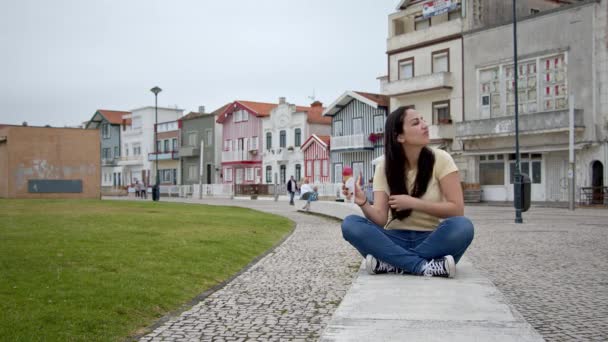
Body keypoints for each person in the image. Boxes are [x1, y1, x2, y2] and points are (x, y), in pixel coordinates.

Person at [341, 106, 474, 278]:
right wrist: (363, 202)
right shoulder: (384, 167)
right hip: (392, 240)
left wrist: (413, 203)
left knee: (463, 227)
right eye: (416, 123)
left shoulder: (442, 159)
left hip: (432, 239)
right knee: (350, 224)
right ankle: (422, 266)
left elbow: (457, 210)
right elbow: (380, 219)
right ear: (400, 136)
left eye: (423, 120)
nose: (425, 125)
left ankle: (393, 264)